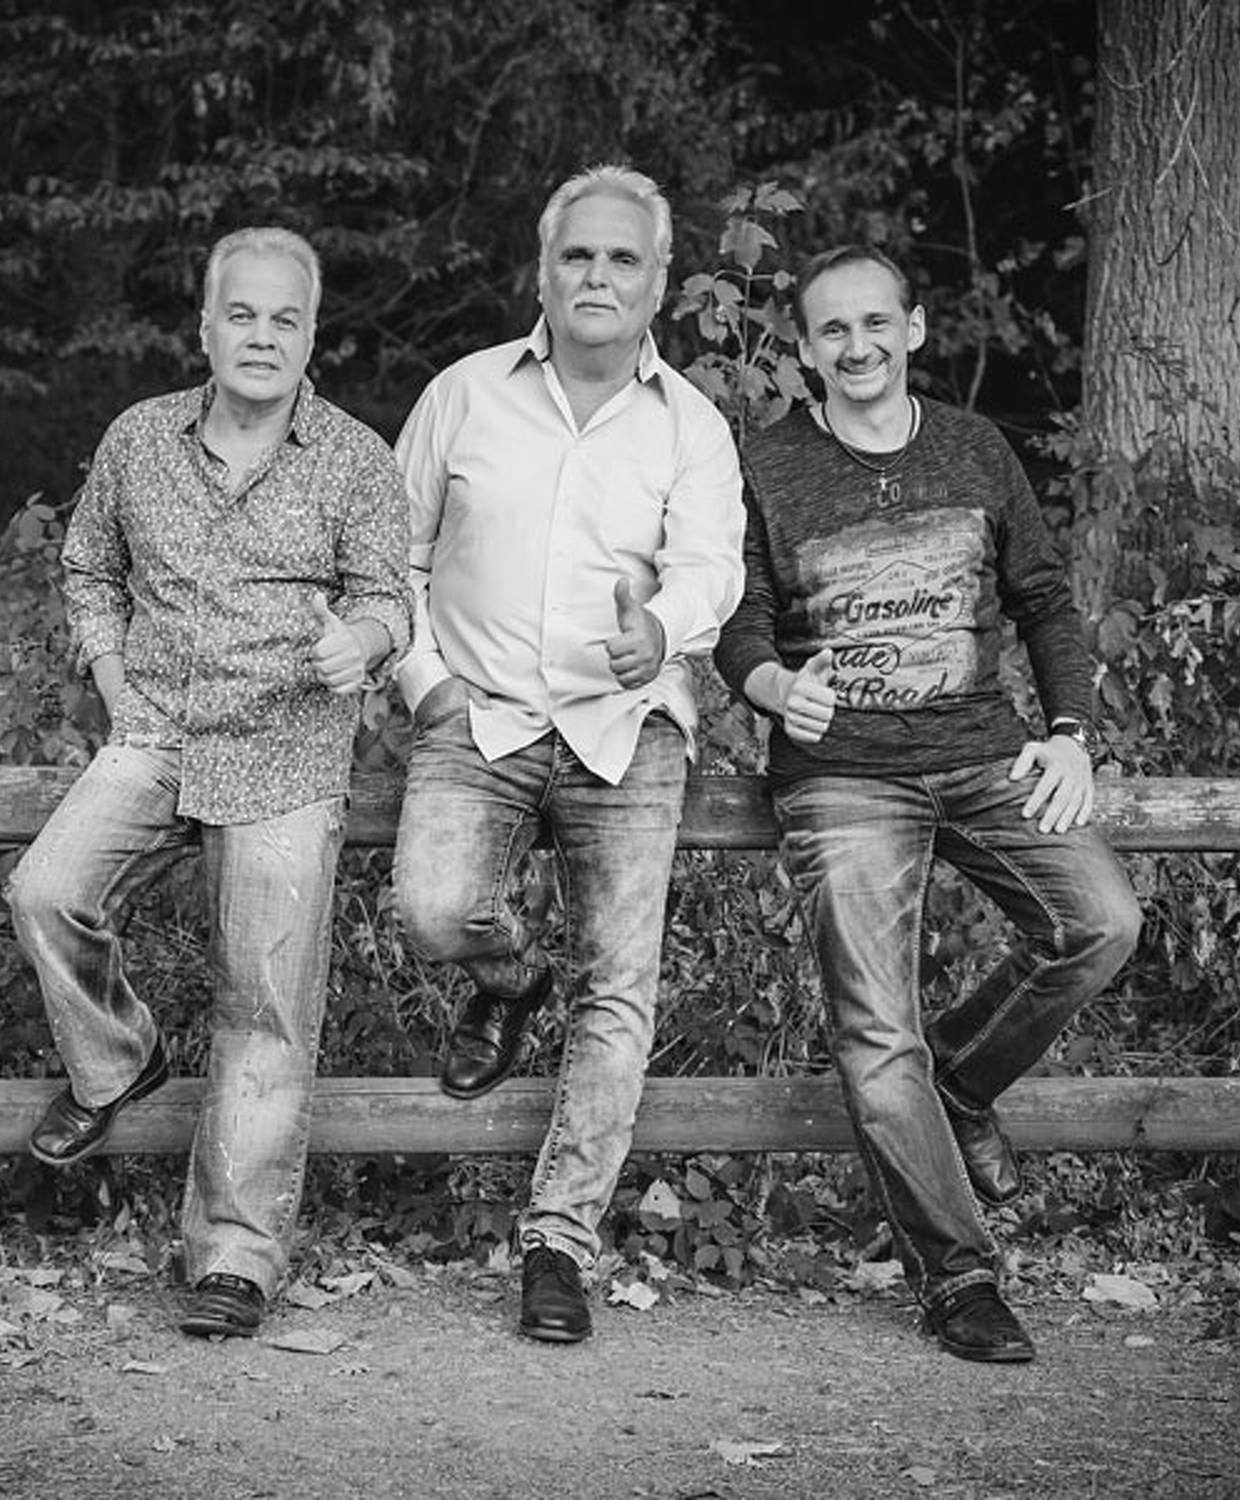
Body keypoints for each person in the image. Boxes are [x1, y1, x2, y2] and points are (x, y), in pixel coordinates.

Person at [714, 244, 1141, 1364]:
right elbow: (736, 624)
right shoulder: (765, 464)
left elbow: (1043, 602)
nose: (856, 346)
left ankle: (955, 1079)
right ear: (806, 350)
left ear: (911, 329)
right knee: (874, 1028)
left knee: (1100, 923)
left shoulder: (976, 447)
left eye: (875, 323)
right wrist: (774, 687)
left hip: (985, 755)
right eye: (832, 330)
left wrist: (1072, 733)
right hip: (842, 774)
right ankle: (959, 1278)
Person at [7, 226, 410, 1341]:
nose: (262, 337)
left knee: (264, 1004)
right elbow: (90, 565)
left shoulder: (354, 458)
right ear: (205, 327)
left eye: (286, 319)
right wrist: (109, 674)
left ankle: (234, 1256)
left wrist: (362, 642)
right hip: (156, 733)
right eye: (243, 314)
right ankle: (117, 1060)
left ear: (312, 336)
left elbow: (390, 597)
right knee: (45, 891)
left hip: (286, 748)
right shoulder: (140, 438)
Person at [391, 164, 746, 1343]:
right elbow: (390, 557)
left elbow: (712, 568)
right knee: (434, 908)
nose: (598, 275)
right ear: (542, 271)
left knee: (619, 988)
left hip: (624, 729)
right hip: (481, 714)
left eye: (623, 258)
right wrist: (427, 684)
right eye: (578, 254)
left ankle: (558, 1241)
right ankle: (510, 980)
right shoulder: (462, 394)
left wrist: (665, 629)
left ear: (659, 283)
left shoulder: (691, 426)